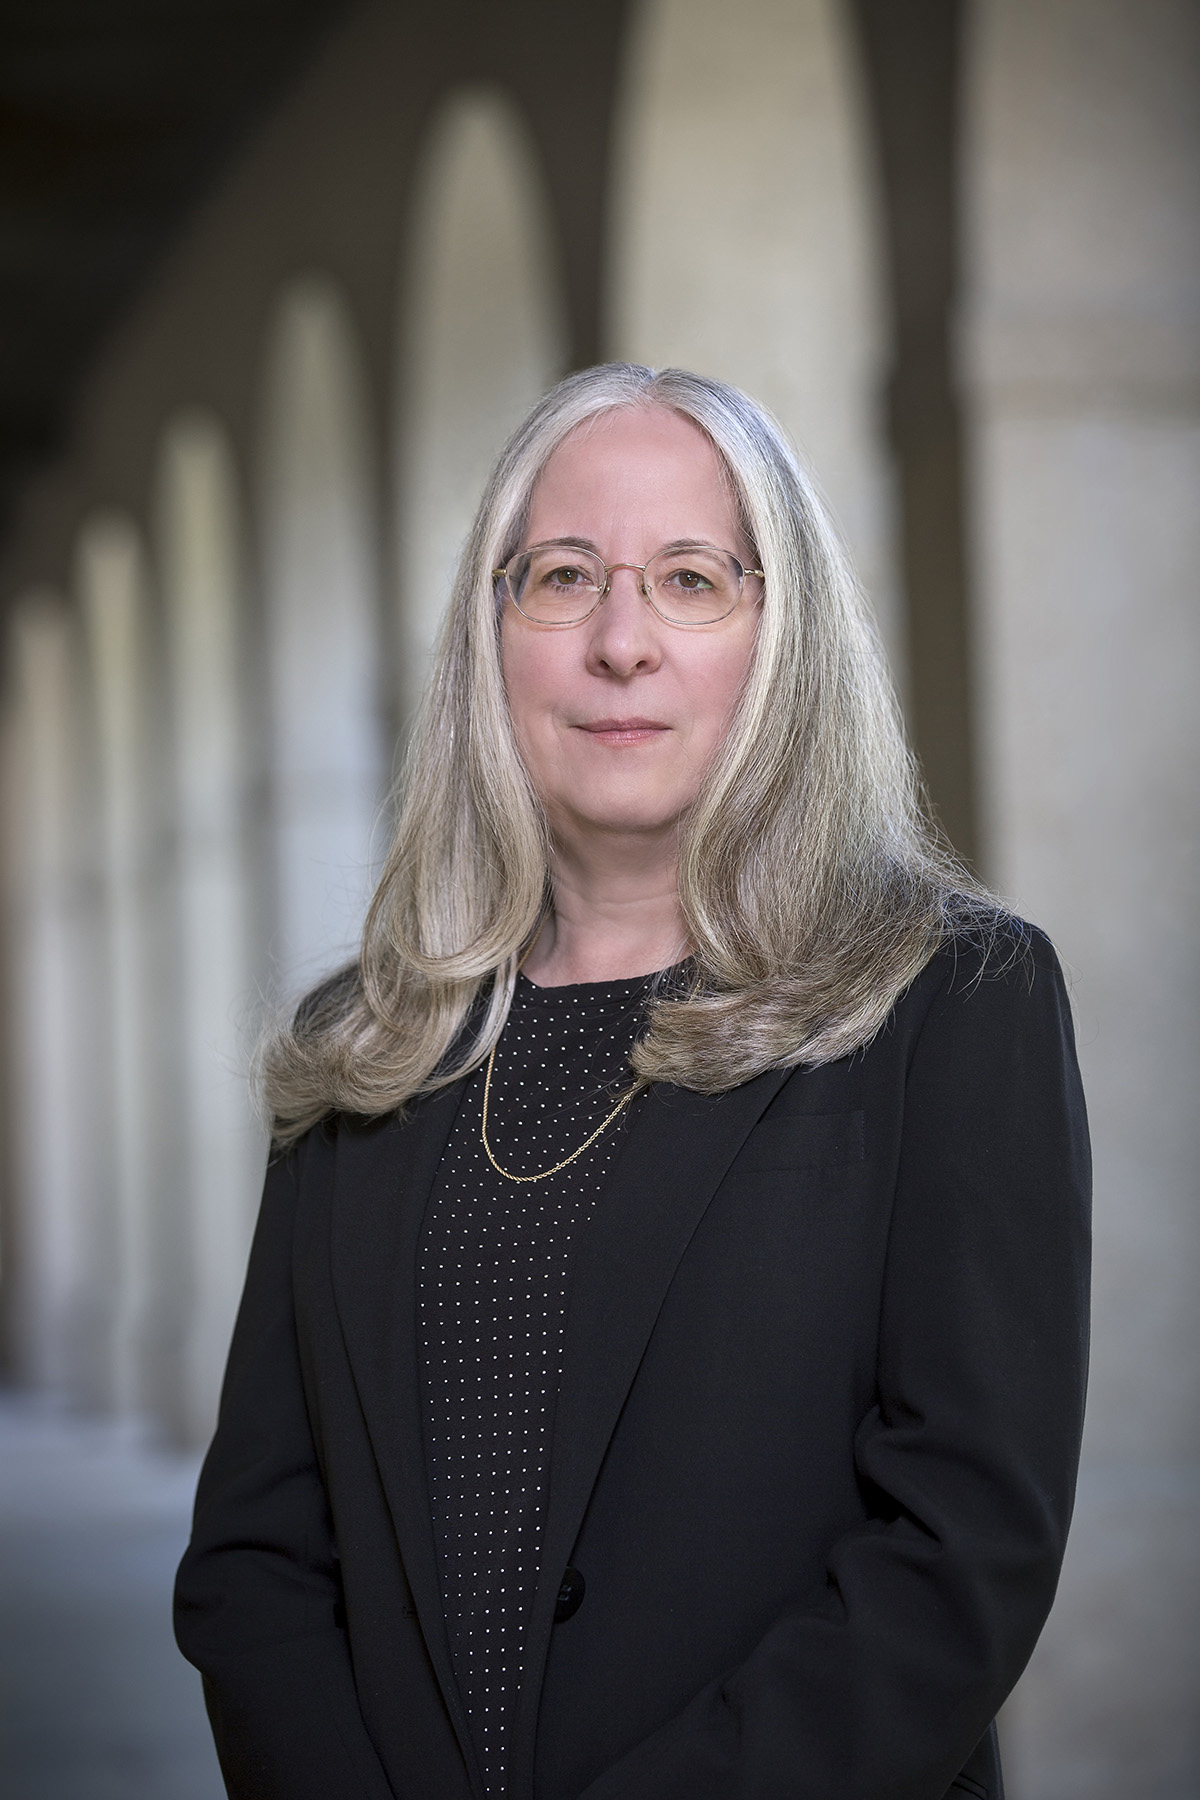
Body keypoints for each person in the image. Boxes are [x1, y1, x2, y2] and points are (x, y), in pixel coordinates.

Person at [174, 363, 1090, 1800]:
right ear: (490, 635)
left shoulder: (956, 1005)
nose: (620, 642)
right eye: (562, 577)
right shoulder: (369, 1042)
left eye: (690, 580)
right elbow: (257, 1559)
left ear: (783, 634)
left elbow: (960, 1552)